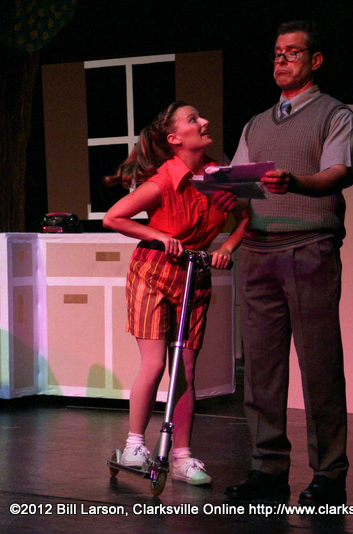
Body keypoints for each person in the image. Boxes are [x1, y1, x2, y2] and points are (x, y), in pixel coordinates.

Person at [223, 21, 353, 505]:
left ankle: (329, 474)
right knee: (261, 370)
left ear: (315, 60)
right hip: (258, 251)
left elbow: (338, 172)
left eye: (293, 53)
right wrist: (222, 191)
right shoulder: (257, 123)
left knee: (320, 366)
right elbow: (242, 182)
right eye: (277, 54)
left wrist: (296, 183)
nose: (281, 61)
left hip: (308, 247)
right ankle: (267, 470)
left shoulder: (334, 114)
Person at [103, 101, 247, 485]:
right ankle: (134, 445)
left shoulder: (219, 177)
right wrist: (158, 235)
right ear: (174, 138)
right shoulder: (165, 179)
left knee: (185, 370)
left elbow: (248, 218)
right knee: (154, 363)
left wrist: (227, 247)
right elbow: (114, 217)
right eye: (193, 119)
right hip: (153, 272)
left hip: (194, 274)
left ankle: (182, 456)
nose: (204, 121)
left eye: (201, 116)